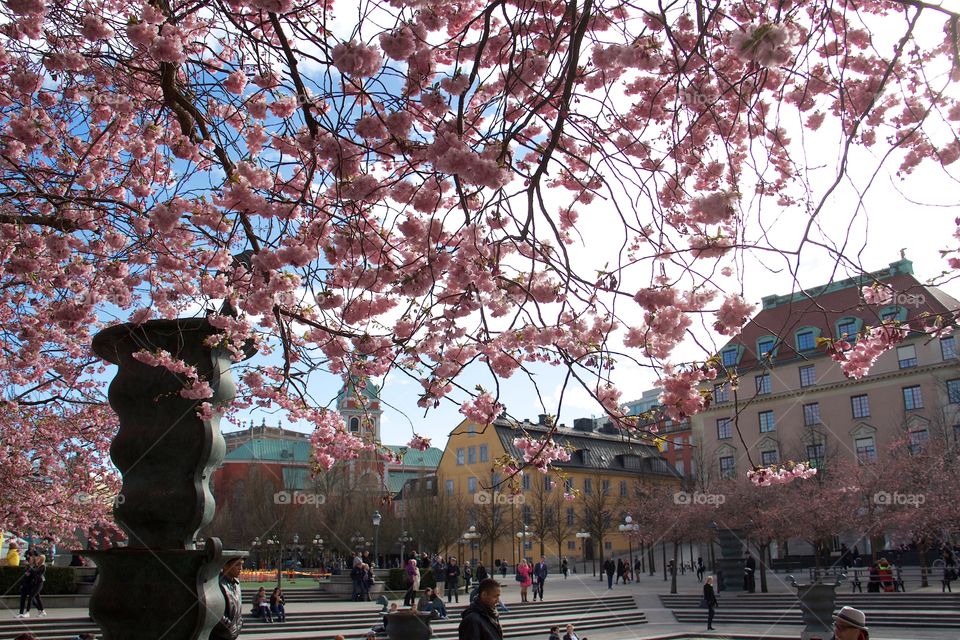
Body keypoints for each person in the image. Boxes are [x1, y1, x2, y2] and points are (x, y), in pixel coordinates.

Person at [211, 557, 243, 640]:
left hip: (232, 634)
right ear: (225, 566)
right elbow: (215, 611)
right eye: (237, 565)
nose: (240, 568)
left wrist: (239, 624)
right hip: (220, 635)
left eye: (241, 564)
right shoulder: (217, 583)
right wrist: (229, 627)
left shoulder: (236, 584)